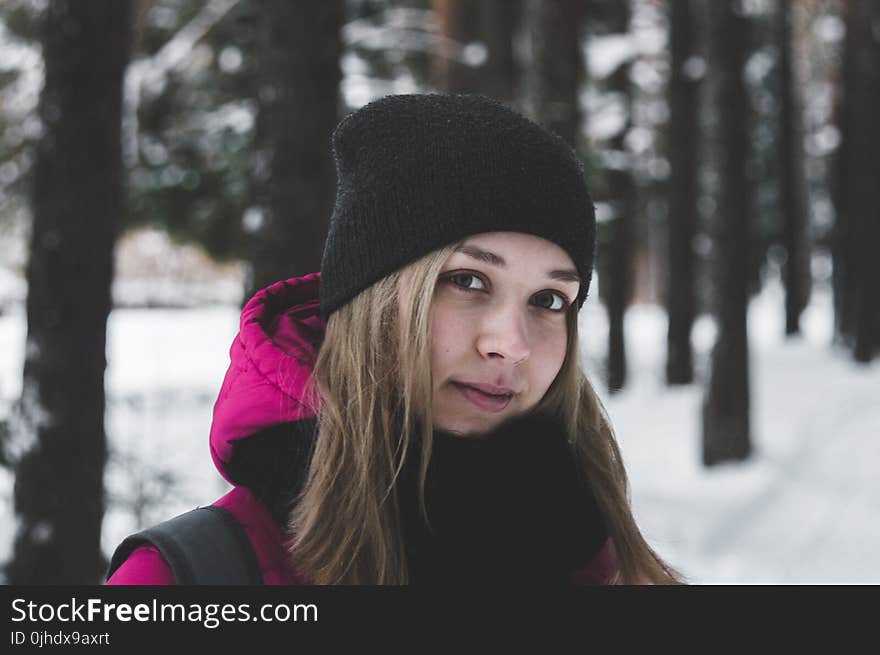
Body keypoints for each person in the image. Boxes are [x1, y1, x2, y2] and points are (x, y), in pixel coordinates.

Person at [106, 93, 682, 585]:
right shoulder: (186, 578)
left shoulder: (588, 549)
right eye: (467, 280)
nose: (513, 344)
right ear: (372, 298)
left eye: (549, 300)